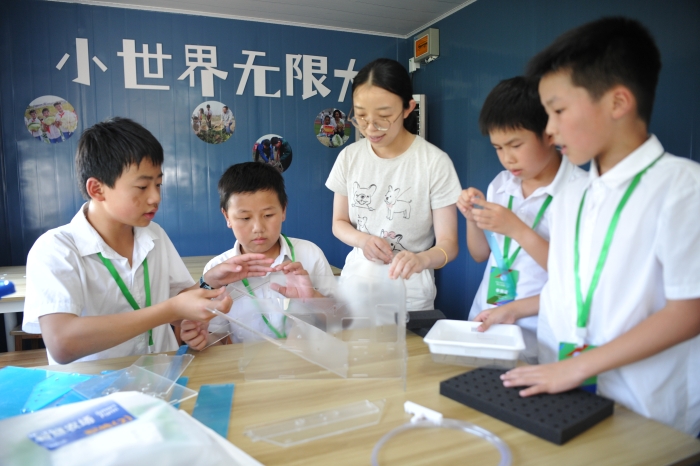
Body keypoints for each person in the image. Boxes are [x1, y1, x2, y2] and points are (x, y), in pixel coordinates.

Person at [500, 17, 700, 437]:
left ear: (618, 102)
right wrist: (517, 312)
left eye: (558, 111)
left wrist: (578, 367)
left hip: (645, 411)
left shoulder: (683, 187)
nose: (549, 129)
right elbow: (571, 286)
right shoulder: (575, 193)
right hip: (564, 392)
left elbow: (689, 311)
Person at [22, 117, 273, 365]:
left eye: (158, 184)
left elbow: (178, 306)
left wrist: (209, 282)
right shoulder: (56, 248)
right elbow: (63, 343)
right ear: (97, 189)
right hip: (92, 387)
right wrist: (171, 310)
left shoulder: (154, 236)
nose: (155, 197)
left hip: (161, 379)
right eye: (142, 187)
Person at [458, 77, 585, 363]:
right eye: (498, 148)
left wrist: (516, 229)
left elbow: (573, 278)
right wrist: (471, 218)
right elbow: (480, 254)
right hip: (487, 321)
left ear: (550, 134)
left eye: (515, 145)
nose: (507, 158)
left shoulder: (580, 191)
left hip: (539, 334)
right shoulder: (501, 184)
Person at [326, 58, 461, 311]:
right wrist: (363, 240)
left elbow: (449, 245)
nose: (371, 128)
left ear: (408, 108)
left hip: (410, 292)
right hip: (357, 283)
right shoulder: (349, 157)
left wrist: (422, 260)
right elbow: (339, 223)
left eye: (384, 117)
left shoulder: (434, 162)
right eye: (361, 116)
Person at [181, 162, 333, 349]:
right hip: (245, 364)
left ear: (283, 210)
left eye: (268, 215)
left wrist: (313, 298)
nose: (258, 228)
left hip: (306, 360)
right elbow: (219, 339)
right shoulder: (217, 271)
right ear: (227, 217)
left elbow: (341, 318)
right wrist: (203, 339)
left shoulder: (310, 254)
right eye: (245, 218)